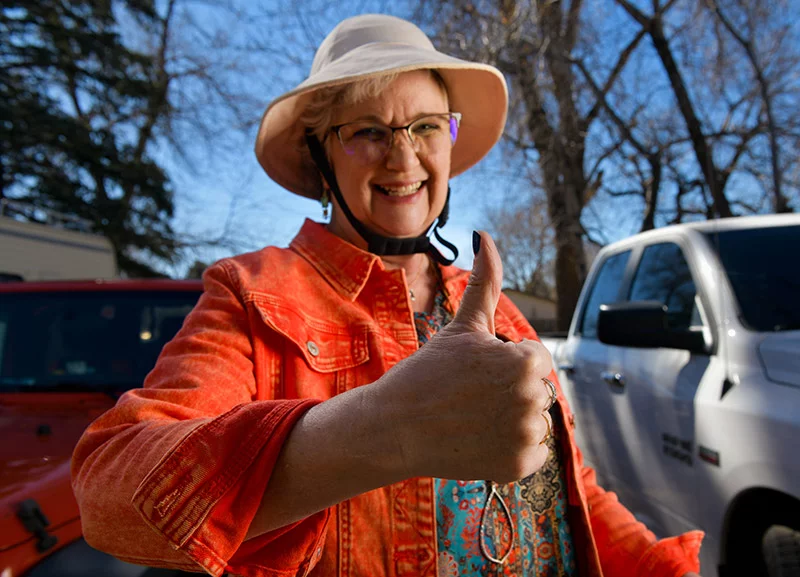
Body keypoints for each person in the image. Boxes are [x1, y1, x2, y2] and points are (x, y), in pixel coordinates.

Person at [72, 14, 704, 577]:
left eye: (425, 126)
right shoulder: (252, 293)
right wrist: (385, 430)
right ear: (321, 159)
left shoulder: (493, 304)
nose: (403, 157)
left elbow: (572, 488)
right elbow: (109, 492)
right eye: (368, 131)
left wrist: (657, 567)